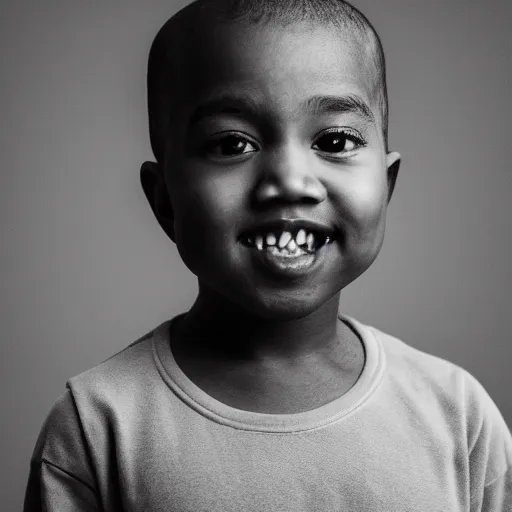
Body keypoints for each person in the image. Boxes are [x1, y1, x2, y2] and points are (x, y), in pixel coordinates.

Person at [24, 0, 512, 510]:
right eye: (233, 144)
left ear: (385, 187)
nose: (289, 183)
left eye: (336, 139)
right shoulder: (97, 425)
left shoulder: (456, 413)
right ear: (164, 200)